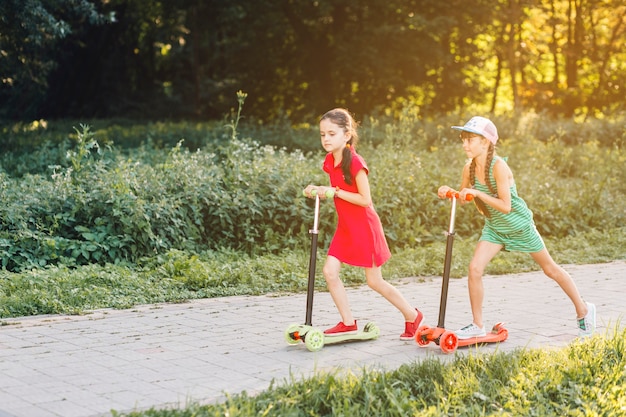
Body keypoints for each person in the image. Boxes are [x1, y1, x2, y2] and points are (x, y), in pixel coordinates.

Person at [437, 116, 596, 339]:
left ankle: (584, 309)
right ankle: (477, 325)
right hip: (495, 228)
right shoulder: (469, 168)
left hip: (519, 225)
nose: (464, 144)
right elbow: (465, 198)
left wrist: (479, 193)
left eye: (470, 139)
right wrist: (451, 192)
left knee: (550, 269)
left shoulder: (499, 167)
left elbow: (505, 206)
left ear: (485, 142)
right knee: (474, 269)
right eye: (463, 139)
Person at [304, 108, 424, 340]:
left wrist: (333, 192)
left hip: (365, 227)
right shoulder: (330, 161)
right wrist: (318, 190)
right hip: (346, 227)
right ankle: (348, 323)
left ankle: (412, 315)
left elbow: (364, 199)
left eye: (331, 133)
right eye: (322, 134)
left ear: (347, 135)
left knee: (375, 281)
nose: (326, 139)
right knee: (329, 272)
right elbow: (333, 190)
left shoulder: (356, 163)